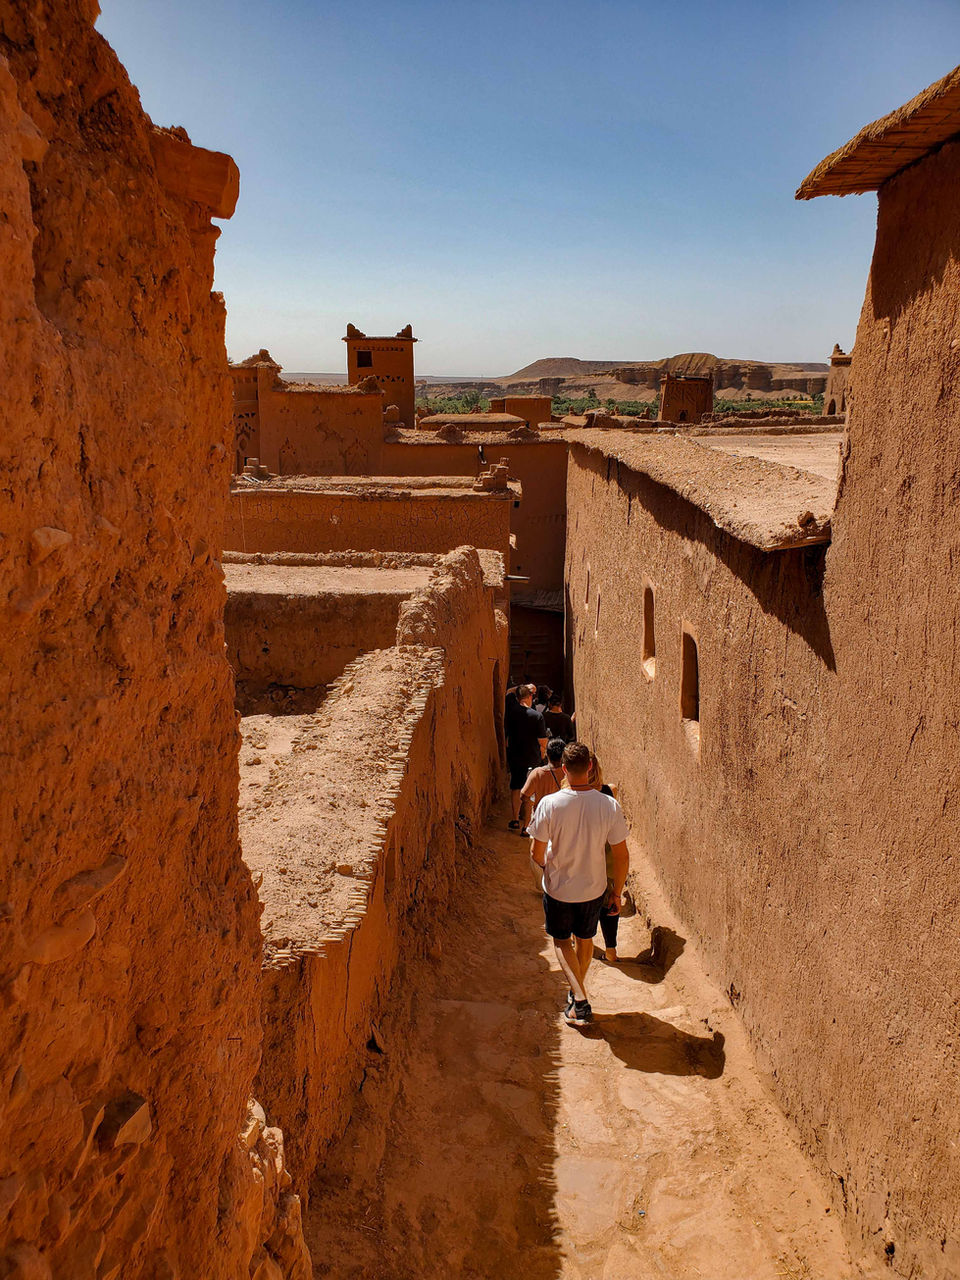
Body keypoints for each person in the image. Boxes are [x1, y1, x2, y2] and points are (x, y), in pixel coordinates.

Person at [528, 742, 630, 1027]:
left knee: (562, 941)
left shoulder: (550, 803)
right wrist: (617, 893)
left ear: (563, 768)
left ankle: (580, 1000)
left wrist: (548, 867)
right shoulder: (608, 804)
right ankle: (577, 994)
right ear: (589, 767)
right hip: (593, 889)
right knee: (585, 940)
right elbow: (621, 856)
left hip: (559, 888)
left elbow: (537, 853)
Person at [519, 738, 566, 873]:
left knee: (539, 856)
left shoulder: (538, 773)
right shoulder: (568, 773)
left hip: (541, 821)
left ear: (547, 754)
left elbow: (524, 795)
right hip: (562, 822)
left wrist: (533, 804)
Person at [506, 684, 547, 832]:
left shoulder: (510, 712)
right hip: (532, 756)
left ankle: (515, 819)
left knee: (516, 786)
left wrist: (520, 687)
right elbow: (542, 740)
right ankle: (526, 826)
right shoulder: (537, 716)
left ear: (517, 698)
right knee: (530, 789)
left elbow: (508, 692)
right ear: (530, 697)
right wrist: (543, 753)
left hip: (515, 755)